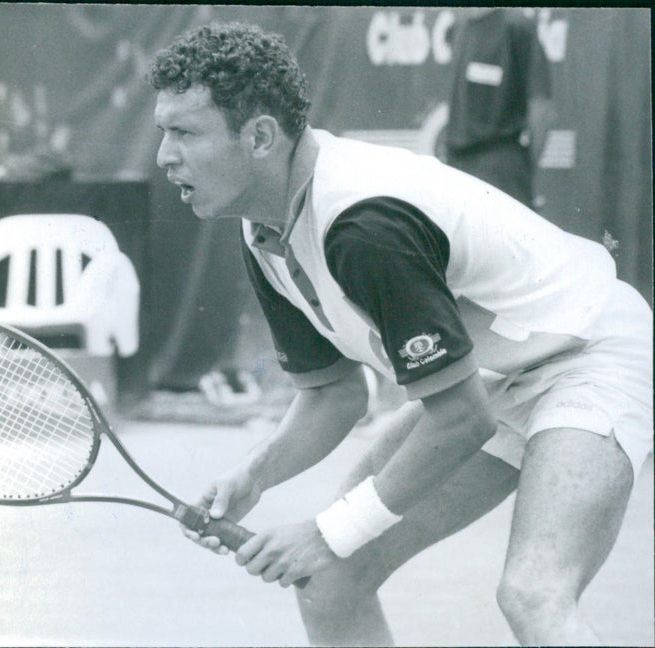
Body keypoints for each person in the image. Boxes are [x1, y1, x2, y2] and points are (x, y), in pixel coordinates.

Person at [148, 22, 652, 647]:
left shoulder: (364, 223)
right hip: (495, 376)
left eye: (185, 133)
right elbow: (336, 395)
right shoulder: (262, 229)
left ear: (259, 137)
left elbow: (462, 419)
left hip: (591, 352)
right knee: (331, 579)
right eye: (162, 131)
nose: (164, 155)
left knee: (534, 594)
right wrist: (253, 478)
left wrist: (329, 530)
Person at [443, 8, 556, 209]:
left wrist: (520, 168)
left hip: (500, 167)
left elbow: (541, 108)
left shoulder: (517, 26)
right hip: (456, 168)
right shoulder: (460, 26)